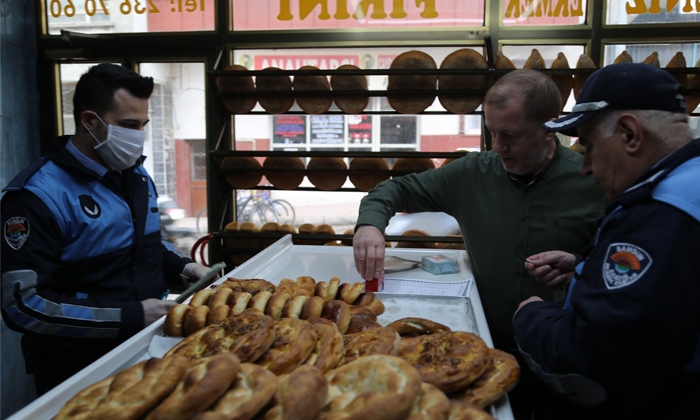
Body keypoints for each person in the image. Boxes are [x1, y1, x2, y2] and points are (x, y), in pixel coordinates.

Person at [353, 68, 609, 419]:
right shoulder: (473, 173)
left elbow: (618, 267)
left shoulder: (592, 180)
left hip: (560, 358)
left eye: (511, 135)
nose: (498, 147)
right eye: (491, 132)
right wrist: (370, 225)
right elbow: (395, 188)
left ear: (551, 126)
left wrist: (579, 266)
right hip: (482, 346)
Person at [1, 63, 213, 395]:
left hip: (147, 350)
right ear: (89, 121)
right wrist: (128, 316)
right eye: (128, 125)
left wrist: (182, 266)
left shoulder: (136, 176)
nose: (138, 136)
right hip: (77, 369)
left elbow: (143, 248)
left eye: (143, 124)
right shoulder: (35, 197)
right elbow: (24, 305)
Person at [513, 62, 700, 418]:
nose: (585, 167)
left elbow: (591, 356)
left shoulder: (664, 215)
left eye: (589, 145)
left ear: (630, 134)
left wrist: (531, 316)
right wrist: (588, 270)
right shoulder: (687, 185)